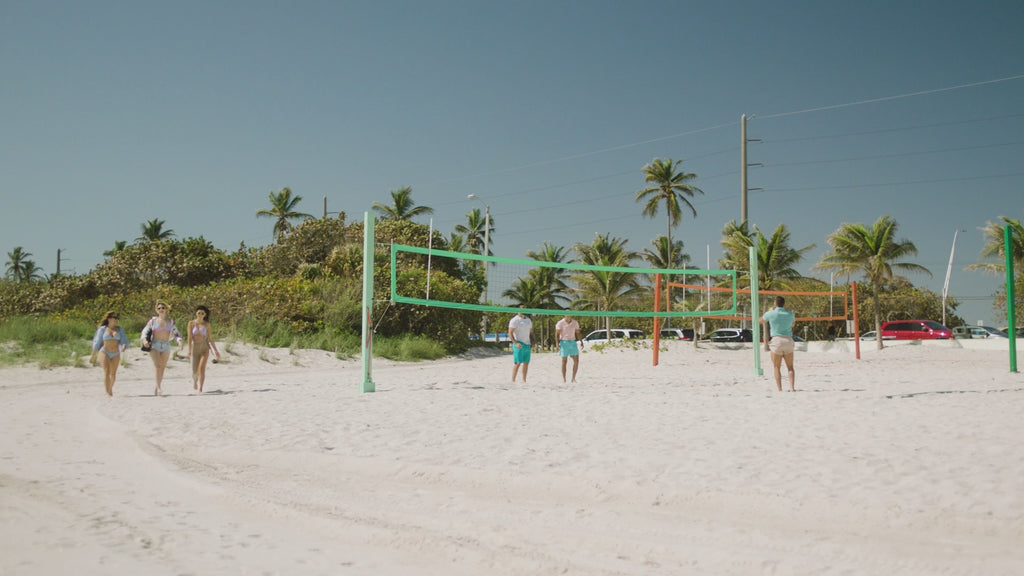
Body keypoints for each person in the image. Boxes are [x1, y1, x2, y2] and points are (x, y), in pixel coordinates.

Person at [141, 300, 182, 396]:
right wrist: (144, 341)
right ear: (156, 310)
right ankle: (159, 388)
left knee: (162, 367)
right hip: (155, 344)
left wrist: (179, 341)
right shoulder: (153, 321)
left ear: (166, 310)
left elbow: (176, 333)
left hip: (166, 345)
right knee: (157, 365)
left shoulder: (170, 321)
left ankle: (157, 386)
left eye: (163, 308)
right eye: (159, 308)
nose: (161, 310)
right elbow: (145, 331)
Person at [89, 311, 129, 396]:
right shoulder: (103, 329)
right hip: (104, 351)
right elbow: (97, 342)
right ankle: (108, 393)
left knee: (113, 374)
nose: (115, 319)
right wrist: (92, 356)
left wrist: (124, 345)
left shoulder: (119, 329)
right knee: (107, 372)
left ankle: (110, 389)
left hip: (115, 353)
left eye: (116, 318)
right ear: (109, 319)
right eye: (113, 317)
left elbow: (124, 340)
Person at [761, 296, 796, 392]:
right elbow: (793, 324)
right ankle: (792, 388)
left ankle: (780, 389)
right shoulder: (790, 314)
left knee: (776, 367)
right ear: (783, 304)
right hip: (788, 340)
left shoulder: (771, 313)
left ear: (775, 303)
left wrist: (770, 312)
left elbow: (761, 320)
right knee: (790, 367)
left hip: (777, 340)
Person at [187, 305, 221, 393]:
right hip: (195, 347)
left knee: (201, 367)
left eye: (202, 313)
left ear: (205, 314)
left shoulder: (207, 325)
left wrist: (215, 350)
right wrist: (189, 350)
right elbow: (189, 338)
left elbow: (210, 338)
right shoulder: (191, 323)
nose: (200, 315)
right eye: (199, 313)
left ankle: (201, 387)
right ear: (196, 313)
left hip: (204, 347)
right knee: (195, 370)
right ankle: (195, 381)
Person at [508, 306, 534, 383]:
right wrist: (516, 343)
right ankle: (513, 380)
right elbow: (510, 333)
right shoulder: (514, 320)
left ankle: (524, 380)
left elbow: (531, 333)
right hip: (518, 343)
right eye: (521, 308)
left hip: (527, 343)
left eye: (524, 308)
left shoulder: (528, 320)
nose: (523, 310)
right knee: (517, 363)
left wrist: (533, 343)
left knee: (526, 363)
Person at [554, 313, 583, 383]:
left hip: (572, 342)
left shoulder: (575, 322)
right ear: (564, 315)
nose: (568, 315)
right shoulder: (560, 323)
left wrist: (581, 341)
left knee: (576, 360)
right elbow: (557, 334)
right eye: (566, 314)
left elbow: (577, 332)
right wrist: (557, 343)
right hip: (564, 342)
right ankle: (564, 379)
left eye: (569, 314)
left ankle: (573, 378)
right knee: (564, 361)